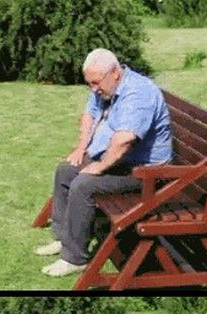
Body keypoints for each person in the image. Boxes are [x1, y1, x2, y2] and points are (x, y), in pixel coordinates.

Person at [36, 48, 173, 277]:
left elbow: (124, 141)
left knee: (83, 184)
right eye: (89, 84)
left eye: (96, 83)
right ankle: (64, 238)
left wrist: (98, 166)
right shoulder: (106, 87)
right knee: (66, 170)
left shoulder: (138, 93)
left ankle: (75, 258)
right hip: (124, 163)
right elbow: (89, 114)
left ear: (115, 73)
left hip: (146, 174)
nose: (93, 89)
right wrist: (81, 148)